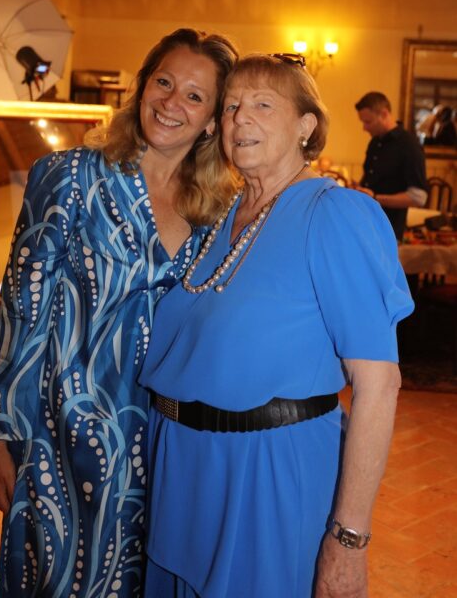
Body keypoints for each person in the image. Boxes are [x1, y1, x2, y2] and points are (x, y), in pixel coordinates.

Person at [139, 54, 414, 598]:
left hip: (264, 474)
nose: (240, 118)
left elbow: (379, 385)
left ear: (306, 126)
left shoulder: (333, 213)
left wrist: (349, 539)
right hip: (183, 472)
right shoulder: (222, 216)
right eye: (231, 106)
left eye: (263, 105)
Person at [0, 28, 238, 597]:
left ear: (212, 121)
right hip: (59, 440)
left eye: (195, 96)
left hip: (165, 446)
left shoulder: (219, 211)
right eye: (164, 82)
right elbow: (21, 306)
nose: (172, 102)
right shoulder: (70, 176)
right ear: (142, 86)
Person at [354, 91, 427, 240]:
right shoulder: (375, 142)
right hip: (367, 226)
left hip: (389, 231)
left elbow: (419, 197)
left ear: (384, 114)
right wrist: (359, 188)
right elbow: (373, 180)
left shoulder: (409, 145)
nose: (364, 128)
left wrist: (376, 197)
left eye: (368, 122)